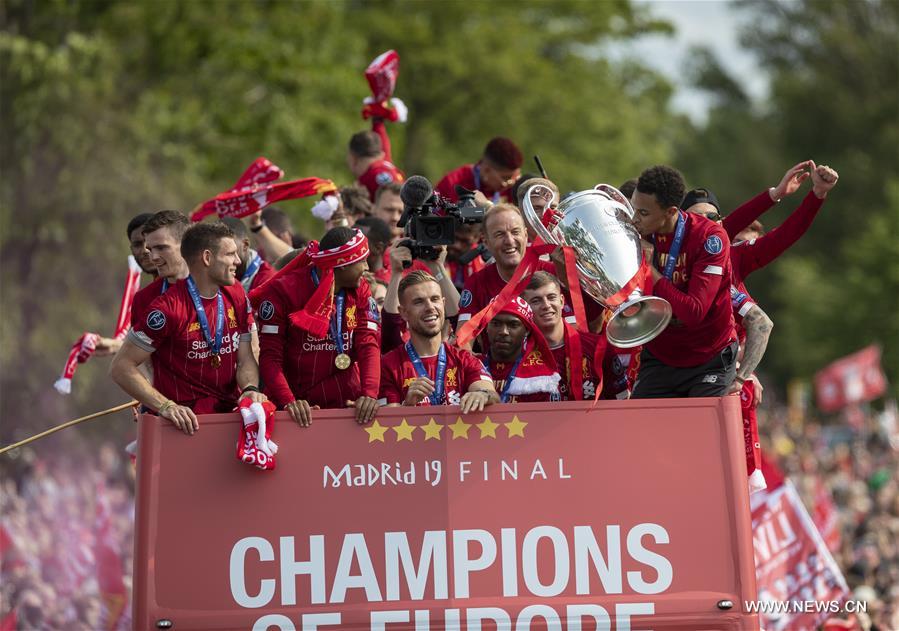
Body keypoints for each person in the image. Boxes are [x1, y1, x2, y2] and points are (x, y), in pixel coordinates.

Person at [110, 222, 265, 434]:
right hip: (184, 427)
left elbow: (246, 357)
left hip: (230, 419)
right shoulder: (167, 309)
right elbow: (121, 367)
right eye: (230, 254)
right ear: (207, 258)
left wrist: (250, 388)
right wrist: (166, 406)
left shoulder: (236, 292)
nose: (238, 261)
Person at [252, 227, 380, 426]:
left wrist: (370, 394)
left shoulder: (360, 289)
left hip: (346, 404)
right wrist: (289, 402)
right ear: (342, 265)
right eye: (361, 261)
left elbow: (368, 345)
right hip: (299, 411)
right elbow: (270, 355)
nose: (366, 268)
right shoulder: (284, 291)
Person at [629, 165, 737, 398]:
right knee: (642, 431)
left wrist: (649, 271)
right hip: (661, 355)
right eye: (633, 209)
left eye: (643, 213)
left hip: (709, 356)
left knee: (699, 431)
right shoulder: (634, 233)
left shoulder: (709, 237)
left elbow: (694, 312)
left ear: (670, 212)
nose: (634, 219)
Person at [379, 271, 498, 411]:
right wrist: (408, 406)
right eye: (419, 302)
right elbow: (387, 423)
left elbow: (491, 394)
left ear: (443, 303)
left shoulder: (465, 359)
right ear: (403, 312)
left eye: (435, 299)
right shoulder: (387, 365)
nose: (430, 307)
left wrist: (482, 395)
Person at [522, 271, 630, 400]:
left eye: (551, 297)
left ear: (562, 301)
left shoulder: (597, 347)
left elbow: (622, 397)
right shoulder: (519, 354)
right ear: (525, 307)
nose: (546, 305)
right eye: (536, 301)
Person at [92, 213, 157, 357]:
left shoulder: (190, 285)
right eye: (138, 244)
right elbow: (151, 344)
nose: (145, 250)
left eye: (149, 242)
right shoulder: (143, 300)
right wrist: (116, 346)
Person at [479, 298, 562, 403]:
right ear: (486, 326)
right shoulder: (470, 365)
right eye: (496, 324)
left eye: (513, 325)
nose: (503, 332)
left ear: (527, 330)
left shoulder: (541, 378)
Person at [130, 210, 191, 329]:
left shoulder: (220, 288)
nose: (153, 258)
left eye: (161, 248)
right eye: (151, 249)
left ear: (186, 244)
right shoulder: (143, 299)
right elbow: (134, 347)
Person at [435, 137, 523, 204]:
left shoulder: (513, 187)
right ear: (486, 170)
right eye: (506, 178)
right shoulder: (453, 184)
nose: (511, 182)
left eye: (515, 176)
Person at [347, 121, 405, 202]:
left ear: (353, 157)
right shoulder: (385, 166)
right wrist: (377, 122)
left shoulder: (370, 178)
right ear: (380, 154)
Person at [221, 217, 276, 294]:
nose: (222, 256)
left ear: (245, 245)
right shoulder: (214, 274)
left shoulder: (267, 279)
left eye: (230, 251)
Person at [353, 216, 395, 284]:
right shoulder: (348, 278)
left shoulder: (388, 285)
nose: (350, 247)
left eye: (358, 242)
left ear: (378, 248)